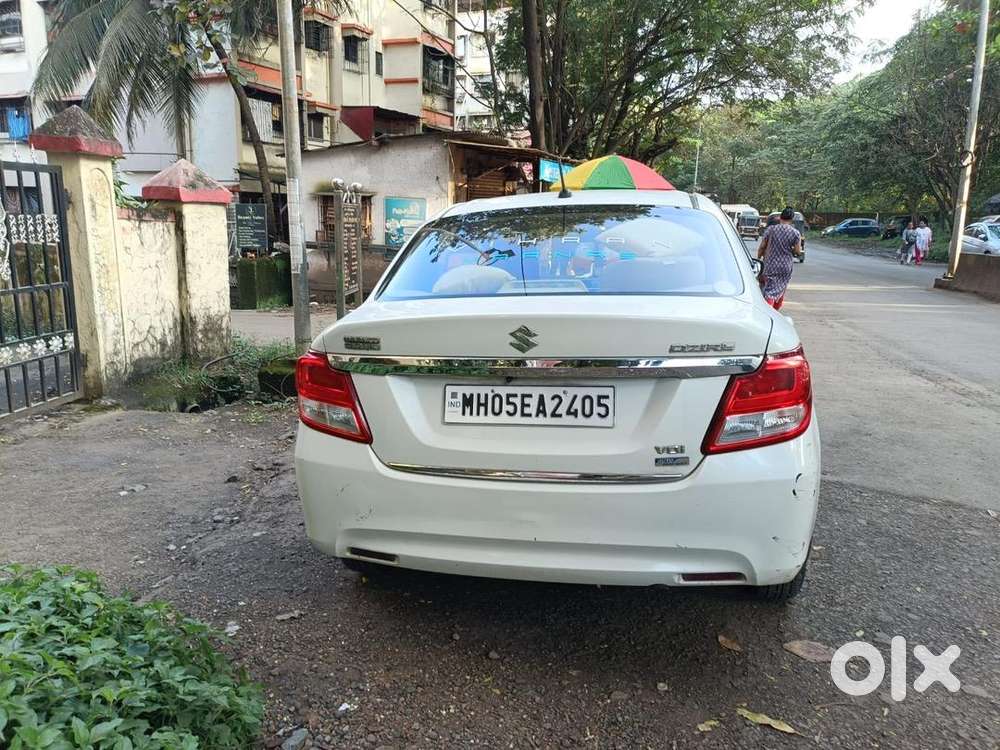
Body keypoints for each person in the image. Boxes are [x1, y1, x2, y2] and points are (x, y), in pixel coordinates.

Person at [757, 206, 802, 310]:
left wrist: (758, 258)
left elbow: (762, 246)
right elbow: (798, 252)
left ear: (780, 217)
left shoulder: (771, 230)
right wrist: (790, 248)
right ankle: (776, 310)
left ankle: (769, 312)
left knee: (769, 290)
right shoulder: (795, 233)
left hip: (770, 265)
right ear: (791, 219)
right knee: (781, 287)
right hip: (785, 266)